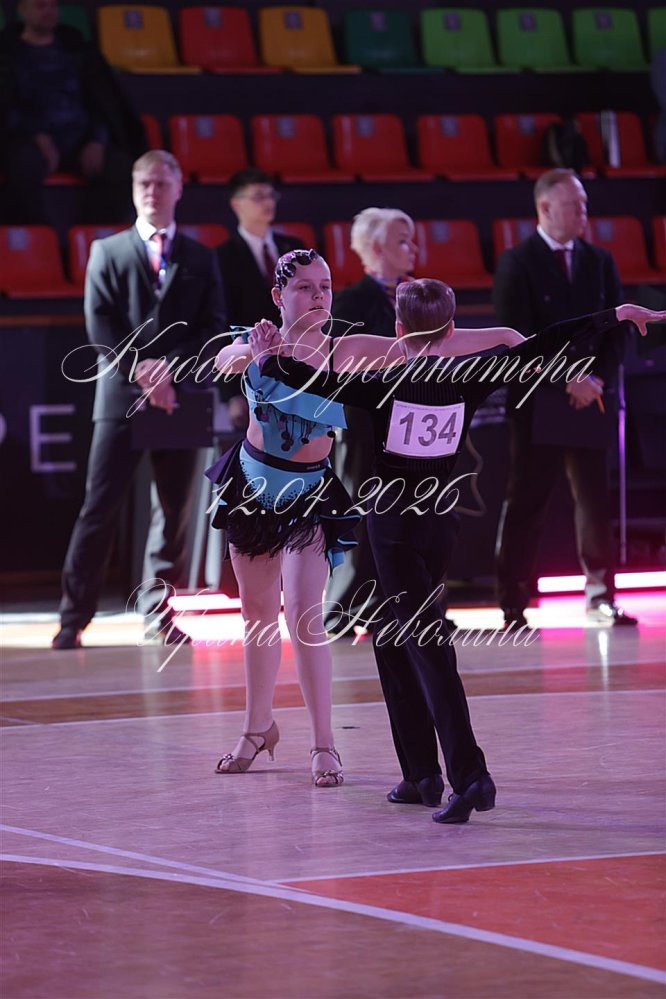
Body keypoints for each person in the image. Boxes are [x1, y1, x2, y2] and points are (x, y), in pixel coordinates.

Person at [250, 281, 664, 822]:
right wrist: (614, 314)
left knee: (428, 649)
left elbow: (307, 380)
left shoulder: (379, 382)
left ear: (398, 331)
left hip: (393, 530)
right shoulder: (470, 377)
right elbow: (545, 341)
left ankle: (471, 778)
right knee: (390, 641)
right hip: (439, 526)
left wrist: (266, 359)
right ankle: (420, 773)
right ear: (451, 331)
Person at [210, 251, 519, 787]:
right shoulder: (257, 341)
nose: (318, 296)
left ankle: (323, 743)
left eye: (326, 286)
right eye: (305, 287)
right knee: (256, 615)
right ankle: (257, 728)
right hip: (252, 487)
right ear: (279, 296)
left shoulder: (346, 350)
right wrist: (250, 351)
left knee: (305, 615)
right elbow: (223, 359)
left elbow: (433, 341)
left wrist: (510, 337)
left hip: (309, 494)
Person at [52, 150, 226, 650]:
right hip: (121, 397)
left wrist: (169, 369)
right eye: (144, 183)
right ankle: (73, 618)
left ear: (179, 187)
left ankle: (160, 615)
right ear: (133, 189)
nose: (152, 191)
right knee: (99, 506)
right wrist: (142, 372)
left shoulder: (201, 256)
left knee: (174, 513)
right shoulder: (106, 252)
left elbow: (214, 327)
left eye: (161, 183)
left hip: (181, 396)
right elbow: (100, 327)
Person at [493, 168, 636, 628]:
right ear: (545, 208)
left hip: (592, 397)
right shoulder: (517, 261)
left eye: (584, 204)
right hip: (540, 399)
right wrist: (566, 379)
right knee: (527, 501)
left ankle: (600, 595)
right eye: (574, 205)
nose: (583, 213)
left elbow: (618, 329)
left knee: (596, 501)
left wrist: (597, 380)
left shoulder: (599, 260)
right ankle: (513, 601)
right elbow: (516, 337)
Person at [324, 208, 418, 633]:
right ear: (377, 248)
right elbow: (341, 366)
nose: (412, 248)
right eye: (402, 240)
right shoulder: (351, 301)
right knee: (359, 512)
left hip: (410, 422)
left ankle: (404, 606)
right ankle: (342, 609)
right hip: (364, 425)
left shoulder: (418, 296)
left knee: (412, 515)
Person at [0, 0, 145, 224]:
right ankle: (38, 237)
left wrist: (97, 140)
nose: (49, 12)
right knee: (23, 168)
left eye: (52, 6)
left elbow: (103, 104)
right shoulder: (8, 54)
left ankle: (93, 234)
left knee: (122, 168)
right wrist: (37, 136)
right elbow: (8, 108)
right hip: (28, 140)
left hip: (80, 140)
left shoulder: (79, 51)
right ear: (23, 11)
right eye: (41, 6)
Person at [216, 169, 304, 431]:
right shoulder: (221, 257)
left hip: (297, 366)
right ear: (236, 204)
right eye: (258, 196)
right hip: (249, 372)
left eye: (270, 195)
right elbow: (221, 323)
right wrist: (231, 392)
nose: (267, 202)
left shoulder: (294, 248)